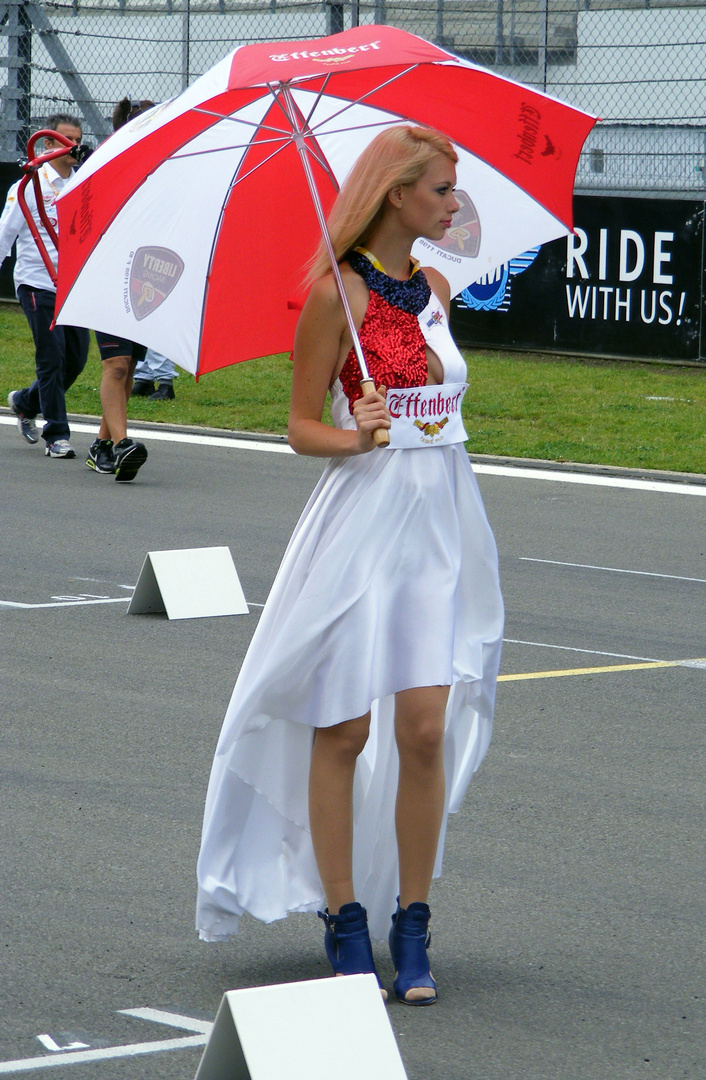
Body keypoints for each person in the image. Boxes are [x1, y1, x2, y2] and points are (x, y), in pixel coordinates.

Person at [195, 126, 504, 1006]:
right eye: (442, 189)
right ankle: (343, 918)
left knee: (426, 730)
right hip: (364, 520)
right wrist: (357, 430)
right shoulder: (337, 296)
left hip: (443, 518)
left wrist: (403, 421)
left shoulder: (438, 287)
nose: (454, 203)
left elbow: (439, 402)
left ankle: (413, 919)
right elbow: (301, 430)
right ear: (396, 195)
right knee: (344, 729)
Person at [1, 113, 90, 458]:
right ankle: (57, 434)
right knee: (51, 358)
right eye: (66, 140)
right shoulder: (29, 183)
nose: (73, 147)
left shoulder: (83, 182)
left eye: (77, 140)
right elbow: (5, 233)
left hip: (72, 285)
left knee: (76, 360)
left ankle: (25, 402)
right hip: (37, 283)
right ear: (48, 144)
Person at [85, 97, 153, 481]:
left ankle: (101, 445)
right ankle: (122, 444)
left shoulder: (167, 172)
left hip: (146, 278)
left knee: (129, 370)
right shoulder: (107, 162)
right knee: (117, 364)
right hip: (107, 275)